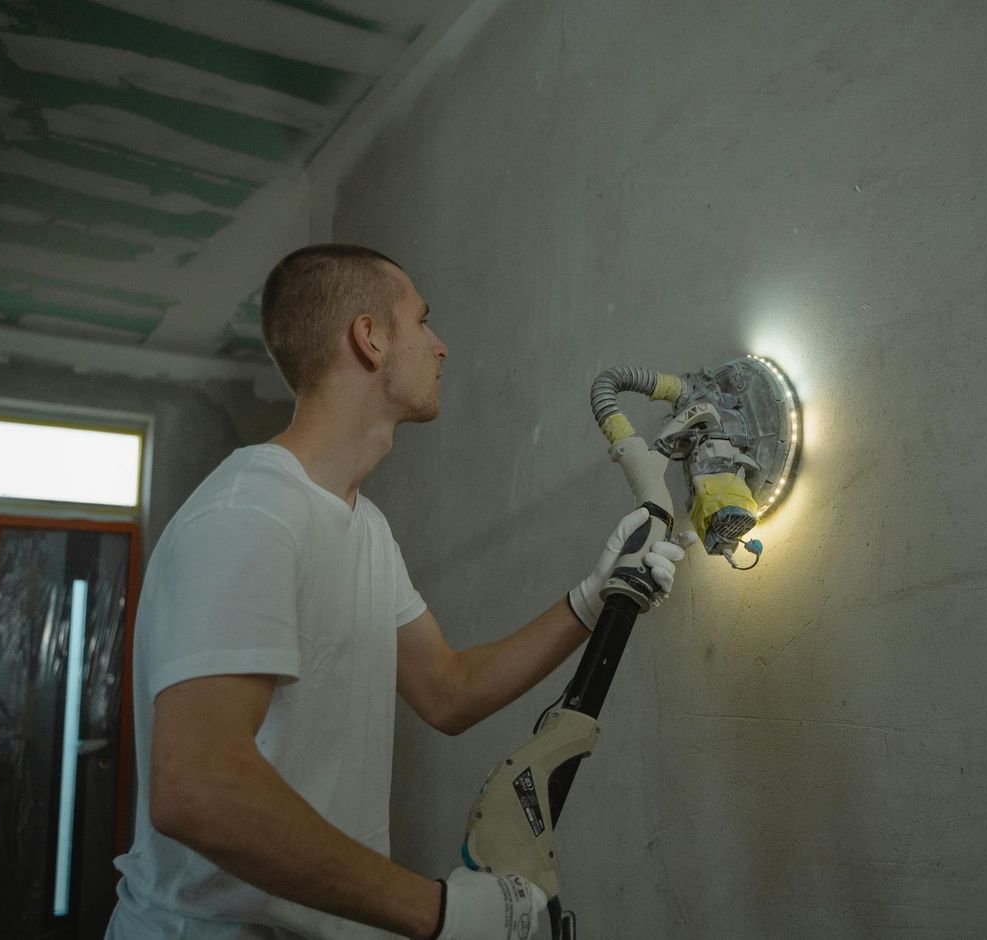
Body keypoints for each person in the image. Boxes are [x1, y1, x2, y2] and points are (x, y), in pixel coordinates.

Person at [105, 244, 691, 939]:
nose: (440, 347)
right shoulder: (250, 515)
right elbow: (195, 788)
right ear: (370, 337)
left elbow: (448, 691)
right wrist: (439, 912)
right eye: (421, 321)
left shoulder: (363, 527)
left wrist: (589, 601)